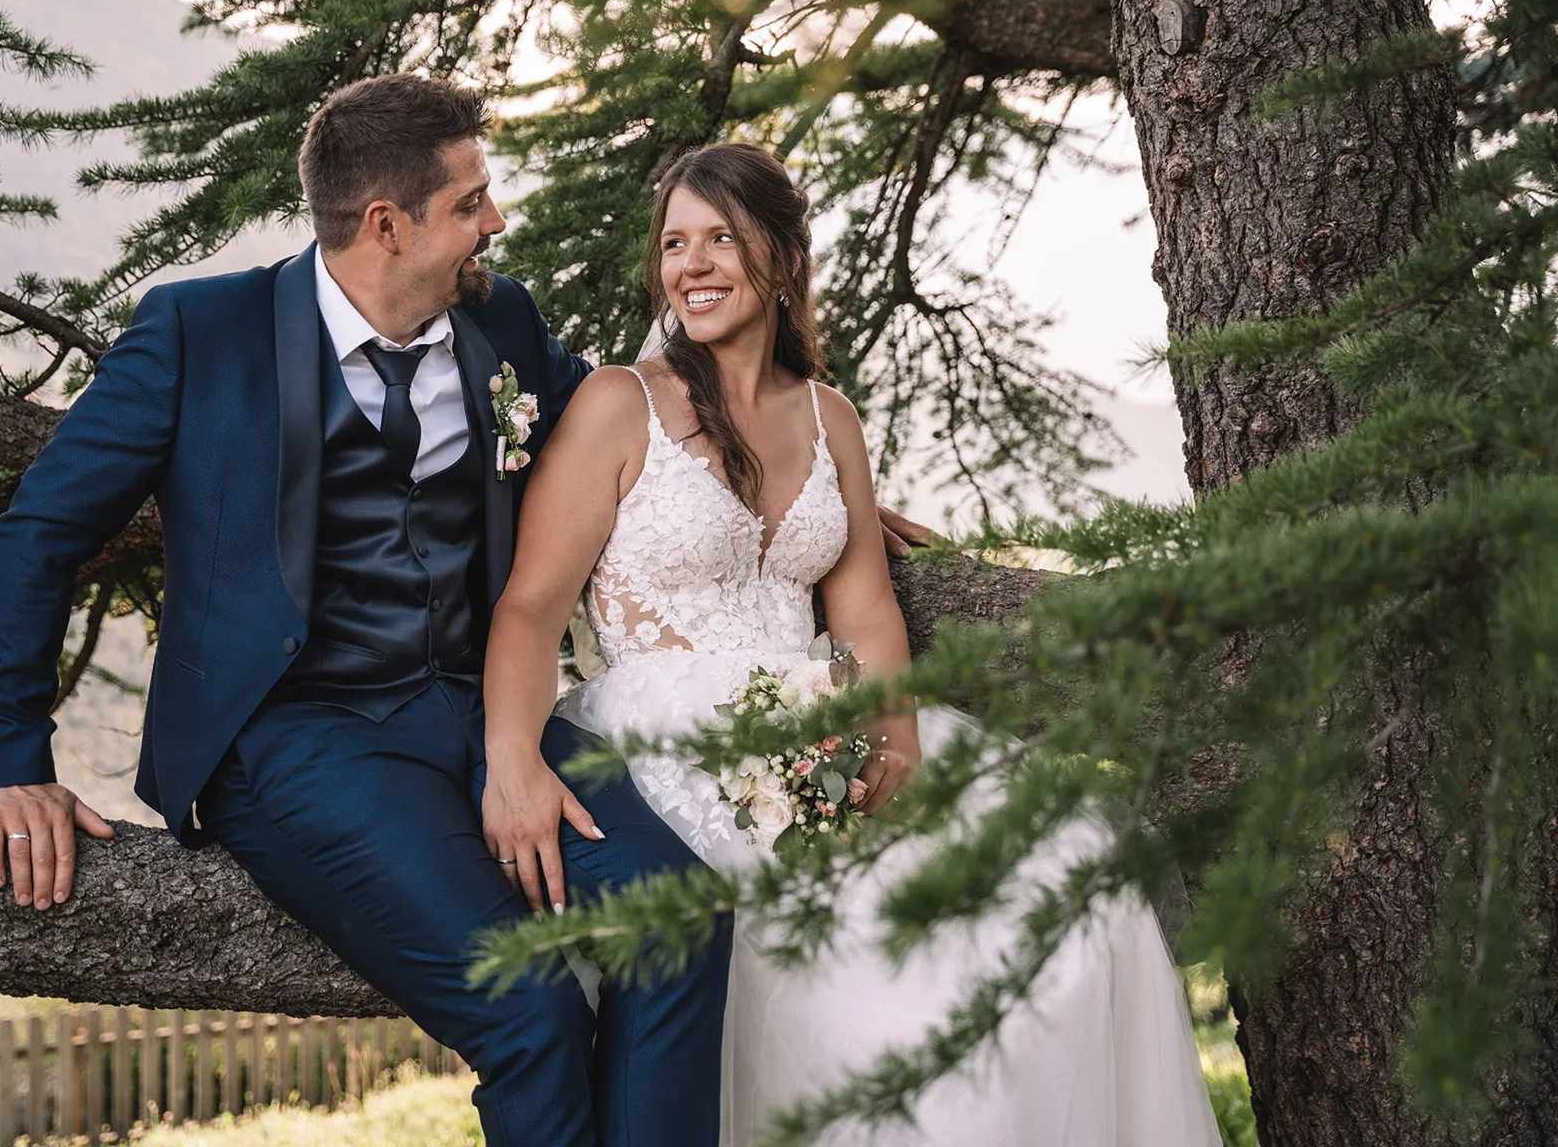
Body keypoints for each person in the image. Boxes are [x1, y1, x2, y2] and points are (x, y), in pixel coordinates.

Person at [0, 73, 764, 1147]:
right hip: (294, 738)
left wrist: (795, 472)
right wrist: (7, 757)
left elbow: (645, 428)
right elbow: (40, 532)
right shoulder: (200, 332)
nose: (496, 220)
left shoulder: (503, 320)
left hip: (483, 713)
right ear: (388, 224)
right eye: (471, 201)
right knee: (529, 1009)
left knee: (681, 921)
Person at [482, 142, 1224, 1145]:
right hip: (671, 747)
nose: (691, 266)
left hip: (821, 726)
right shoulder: (621, 404)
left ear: (783, 258)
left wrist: (896, 735)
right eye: (674, 244)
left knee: (1072, 883)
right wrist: (514, 759)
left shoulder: (829, 417)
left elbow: (865, 610)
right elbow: (530, 608)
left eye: (720, 240)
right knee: (872, 994)